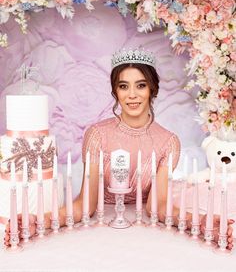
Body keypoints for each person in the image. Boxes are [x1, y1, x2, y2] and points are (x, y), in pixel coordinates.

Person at [4, 48, 234, 249]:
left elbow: (160, 206)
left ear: (152, 89)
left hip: (148, 232)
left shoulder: (168, 141)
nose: (132, 94)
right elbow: (86, 204)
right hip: (101, 227)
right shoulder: (97, 135)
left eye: (141, 85)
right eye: (124, 86)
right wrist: (39, 220)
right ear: (115, 92)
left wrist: (200, 221)